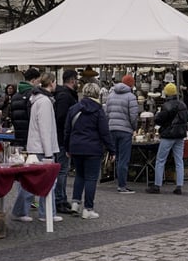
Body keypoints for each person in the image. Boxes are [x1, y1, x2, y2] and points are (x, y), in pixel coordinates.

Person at [11, 72, 63, 223]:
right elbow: (45, 129)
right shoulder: (45, 102)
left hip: (36, 145)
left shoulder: (38, 100)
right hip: (42, 148)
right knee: (48, 182)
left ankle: (23, 211)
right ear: (52, 83)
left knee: (30, 181)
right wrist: (48, 153)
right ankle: (46, 213)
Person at [65, 81, 115, 219]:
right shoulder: (98, 110)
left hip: (76, 147)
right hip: (93, 148)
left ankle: (75, 203)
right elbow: (105, 132)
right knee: (91, 178)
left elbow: (67, 130)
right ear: (96, 94)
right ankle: (88, 209)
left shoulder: (74, 108)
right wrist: (112, 150)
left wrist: (67, 147)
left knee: (79, 176)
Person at [146, 82, 188, 195]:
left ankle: (157, 185)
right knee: (179, 161)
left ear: (166, 93)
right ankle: (179, 186)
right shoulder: (183, 105)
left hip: (168, 135)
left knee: (160, 160)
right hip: (180, 135)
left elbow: (159, 120)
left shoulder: (166, 106)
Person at [106, 73, 139, 194]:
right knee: (123, 160)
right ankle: (122, 186)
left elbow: (107, 113)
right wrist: (134, 128)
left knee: (117, 157)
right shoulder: (131, 97)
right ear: (131, 84)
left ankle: (117, 181)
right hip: (125, 131)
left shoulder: (111, 95)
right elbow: (134, 116)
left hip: (112, 129)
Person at [53, 69, 79, 213]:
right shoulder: (65, 96)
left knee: (63, 170)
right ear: (72, 80)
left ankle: (62, 197)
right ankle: (59, 200)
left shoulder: (64, 94)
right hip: (62, 139)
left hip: (63, 138)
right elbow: (61, 118)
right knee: (62, 170)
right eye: (76, 79)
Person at [9, 67, 42, 148]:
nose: (39, 84)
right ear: (33, 80)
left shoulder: (15, 96)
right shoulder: (33, 95)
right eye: (38, 81)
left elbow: (11, 115)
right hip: (30, 136)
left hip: (17, 134)